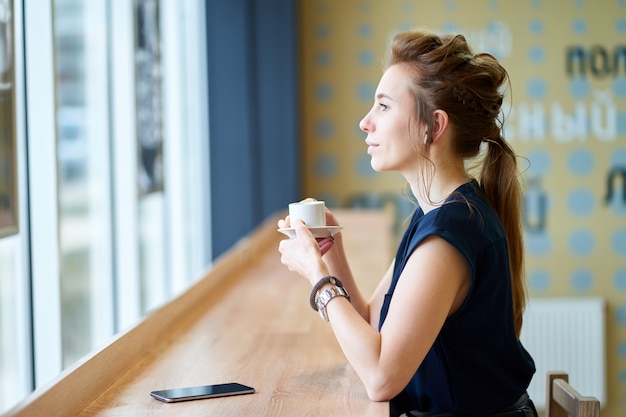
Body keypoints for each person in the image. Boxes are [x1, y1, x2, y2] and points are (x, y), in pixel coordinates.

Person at [278, 28, 537, 417]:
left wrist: (318, 281)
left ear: (433, 125)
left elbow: (381, 376)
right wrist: (331, 252)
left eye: (383, 106)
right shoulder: (435, 214)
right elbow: (372, 326)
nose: (366, 122)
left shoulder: (448, 237)